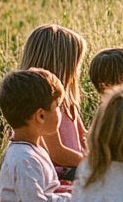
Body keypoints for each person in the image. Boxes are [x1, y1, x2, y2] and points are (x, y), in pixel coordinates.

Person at [0, 68, 72, 202]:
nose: (60, 112)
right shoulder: (23, 159)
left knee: (80, 192)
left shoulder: (32, 148)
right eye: (58, 106)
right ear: (41, 115)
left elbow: (48, 188)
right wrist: (70, 199)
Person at [19, 23, 89, 180]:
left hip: (74, 166)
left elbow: (83, 136)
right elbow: (56, 152)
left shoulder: (66, 99)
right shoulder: (41, 102)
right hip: (55, 173)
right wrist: (92, 164)